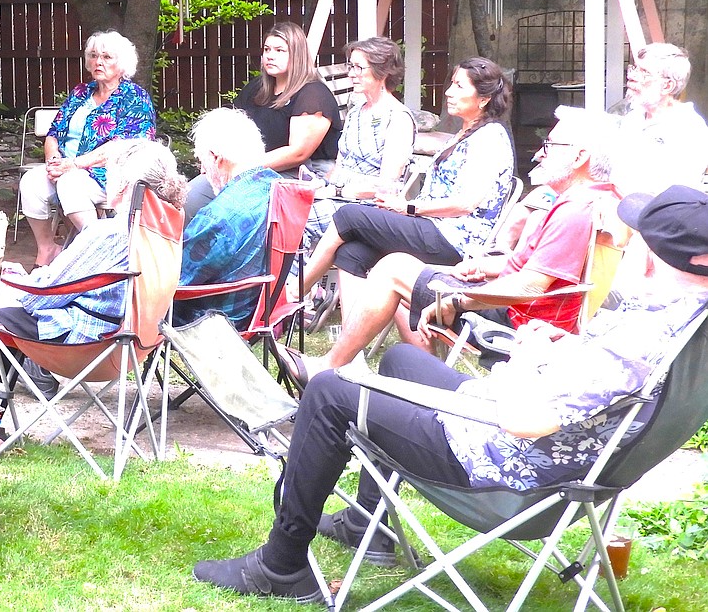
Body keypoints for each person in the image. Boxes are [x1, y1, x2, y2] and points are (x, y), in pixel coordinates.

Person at [193, 184, 708, 601]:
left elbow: (529, 421)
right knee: (399, 359)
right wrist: (556, 348)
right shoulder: (682, 322)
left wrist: (526, 360)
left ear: (664, 254)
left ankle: (280, 566)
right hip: (553, 464)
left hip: (506, 470)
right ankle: (368, 529)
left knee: (331, 389)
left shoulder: (642, 338)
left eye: (637, 234)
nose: (623, 239)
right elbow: (604, 392)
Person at [284, 106, 619, 382]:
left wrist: (459, 301)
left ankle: (330, 367)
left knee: (391, 268)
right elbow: (543, 272)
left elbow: (532, 286)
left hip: (519, 322)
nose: (540, 154)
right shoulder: (585, 200)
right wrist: (486, 266)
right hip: (509, 300)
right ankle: (418, 379)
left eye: (550, 146)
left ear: (579, 158)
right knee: (394, 277)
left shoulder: (576, 209)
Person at [300, 57, 514, 310]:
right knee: (352, 252)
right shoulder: (464, 133)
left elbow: (465, 204)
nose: (448, 92)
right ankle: (353, 345)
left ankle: (295, 291)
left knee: (349, 216)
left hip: (455, 240)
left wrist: (408, 208)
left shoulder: (489, 138)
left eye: (459, 86)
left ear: (483, 99)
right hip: (431, 228)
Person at [0, 138, 187, 347]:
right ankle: (33, 376)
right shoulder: (165, 229)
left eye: (108, 173)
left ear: (122, 186)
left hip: (84, 342)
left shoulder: (109, 233)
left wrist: (9, 280)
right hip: (134, 341)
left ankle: (17, 376)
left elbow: (39, 297)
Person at [19, 30, 157, 268]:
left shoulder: (134, 98)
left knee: (70, 182)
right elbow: (54, 133)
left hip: (110, 175)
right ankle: (48, 249)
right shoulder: (80, 93)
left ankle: (99, 251)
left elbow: (123, 148)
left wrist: (72, 165)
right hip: (66, 169)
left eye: (106, 57)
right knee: (31, 182)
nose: (98, 62)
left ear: (122, 64)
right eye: (93, 56)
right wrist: (54, 162)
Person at [184, 21, 340, 220]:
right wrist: (213, 159)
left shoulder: (313, 94)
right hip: (249, 171)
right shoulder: (256, 89)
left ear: (298, 55)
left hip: (297, 175)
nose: (270, 55)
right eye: (267, 49)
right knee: (191, 196)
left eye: (279, 50)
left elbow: (298, 153)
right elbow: (230, 129)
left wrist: (242, 168)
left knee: (227, 207)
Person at [303, 36, 416, 243]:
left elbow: (386, 186)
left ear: (382, 71)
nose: (351, 73)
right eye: (350, 66)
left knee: (297, 221)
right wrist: (318, 185)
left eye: (358, 68)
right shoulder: (356, 112)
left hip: (369, 207)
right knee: (281, 208)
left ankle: (290, 276)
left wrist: (338, 190)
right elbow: (339, 166)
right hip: (337, 198)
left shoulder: (398, 117)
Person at [174, 108, 277, 327]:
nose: (202, 171)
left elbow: (176, 281)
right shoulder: (280, 189)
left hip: (214, 320)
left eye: (202, 161)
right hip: (264, 312)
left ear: (217, 158)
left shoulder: (219, 215)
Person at [612, 42, 708, 194]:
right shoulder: (632, 118)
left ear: (667, 86)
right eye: (634, 68)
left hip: (656, 214)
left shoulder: (689, 127)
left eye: (644, 72)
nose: (632, 77)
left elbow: (676, 193)